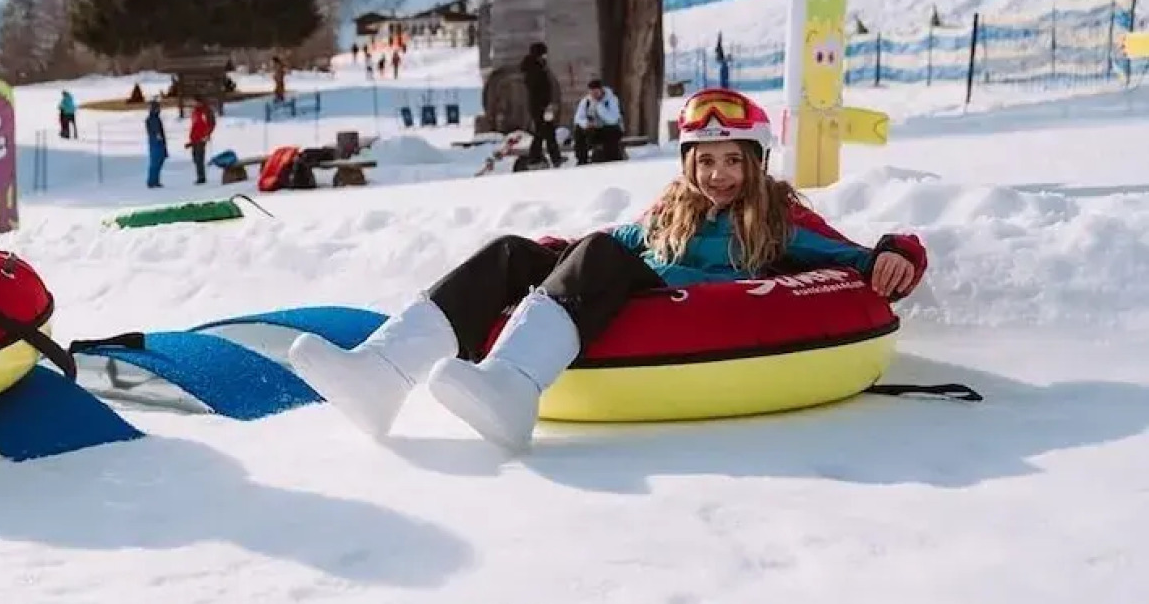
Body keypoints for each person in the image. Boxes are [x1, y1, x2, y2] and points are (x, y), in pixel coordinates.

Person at [288, 88, 927, 452]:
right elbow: (614, 240)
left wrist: (898, 252)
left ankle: (512, 387)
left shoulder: (779, 217)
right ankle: (381, 373)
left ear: (756, 163)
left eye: (733, 161)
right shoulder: (670, 211)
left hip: (678, 310)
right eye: (705, 162)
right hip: (624, 282)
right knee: (514, 250)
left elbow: (858, 255)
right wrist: (547, 253)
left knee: (599, 255)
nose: (719, 176)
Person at [520, 42, 562, 168]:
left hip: (541, 105)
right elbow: (539, 89)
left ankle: (552, 157)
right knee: (543, 132)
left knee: (547, 132)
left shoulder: (537, 67)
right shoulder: (534, 69)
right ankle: (537, 158)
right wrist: (546, 105)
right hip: (540, 106)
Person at [572, 79, 626, 165]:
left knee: (610, 131)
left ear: (601, 90)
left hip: (610, 128)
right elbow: (578, 118)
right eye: (592, 92)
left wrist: (599, 106)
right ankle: (582, 159)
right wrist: (586, 123)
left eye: (596, 92)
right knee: (578, 130)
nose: (594, 95)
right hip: (594, 129)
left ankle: (612, 157)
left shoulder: (611, 100)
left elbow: (613, 119)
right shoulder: (586, 101)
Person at [186, 97, 216, 184]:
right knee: (195, 158)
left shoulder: (206, 111)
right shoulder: (195, 112)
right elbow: (194, 124)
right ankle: (200, 175)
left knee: (199, 158)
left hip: (201, 138)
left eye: (196, 102)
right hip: (194, 138)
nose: (195, 104)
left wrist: (207, 134)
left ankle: (201, 177)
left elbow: (211, 124)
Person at [145, 100, 168, 189]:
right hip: (155, 142)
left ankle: (156, 180)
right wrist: (158, 136)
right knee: (155, 162)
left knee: (159, 161)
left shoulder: (156, 118)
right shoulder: (152, 118)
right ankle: (151, 181)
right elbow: (155, 129)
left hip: (158, 142)